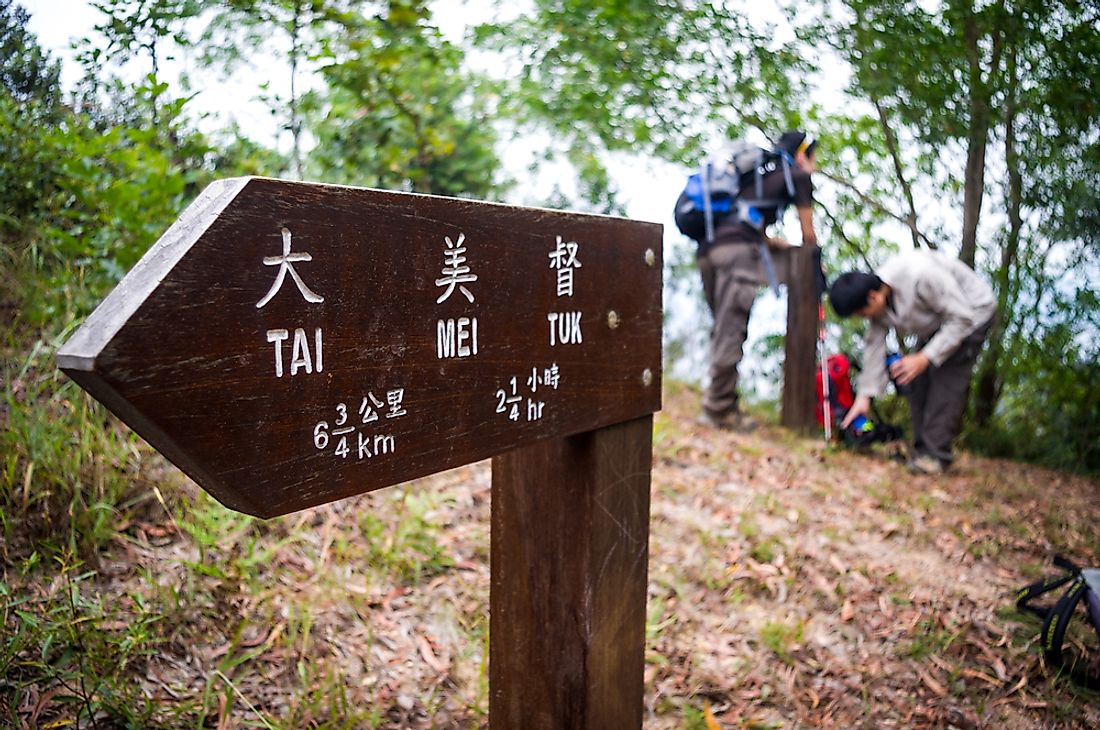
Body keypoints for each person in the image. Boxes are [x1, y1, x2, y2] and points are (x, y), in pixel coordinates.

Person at [828, 250, 996, 474]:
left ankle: (935, 456)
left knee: (945, 382)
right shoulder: (876, 297)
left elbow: (961, 318)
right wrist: (864, 397)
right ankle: (922, 451)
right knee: (913, 379)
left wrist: (925, 357)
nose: (863, 318)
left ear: (873, 297)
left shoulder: (922, 276)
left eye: (861, 313)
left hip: (971, 315)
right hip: (937, 323)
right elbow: (874, 348)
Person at [698, 130, 820, 430]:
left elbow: (746, 219)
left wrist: (773, 243)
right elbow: (808, 235)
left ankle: (724, 401)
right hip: (738, 256)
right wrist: (815, 261)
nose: (815, 166)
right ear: (802, 154)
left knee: (723, 327)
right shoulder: (798, 177)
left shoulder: (758, 175)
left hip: (708, 249)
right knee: (731, 330)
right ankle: (717, 410)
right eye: (814, 158)